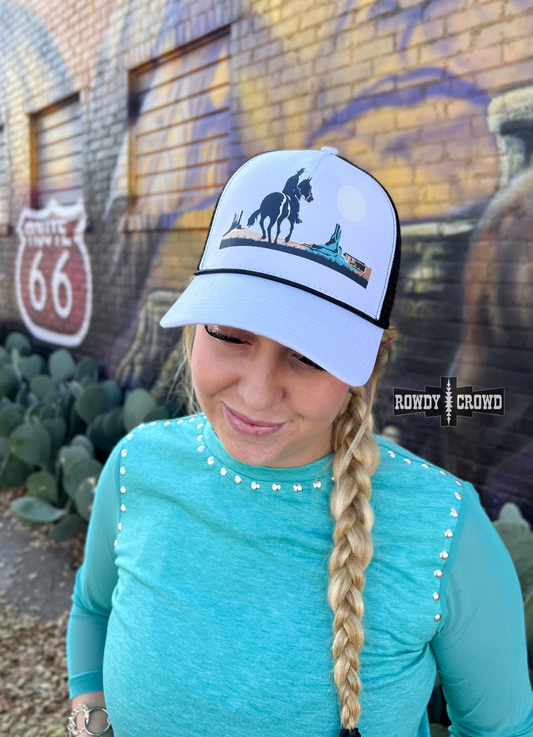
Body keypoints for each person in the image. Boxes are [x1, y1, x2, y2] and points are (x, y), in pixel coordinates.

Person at [66, 147, 533, 737]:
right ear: (193, 326)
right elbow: (92, 609)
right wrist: (89, 719)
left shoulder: (446, 530)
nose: (258, 394)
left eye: (310, 356)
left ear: (369, 363)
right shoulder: (136, 468)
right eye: (230, 335)